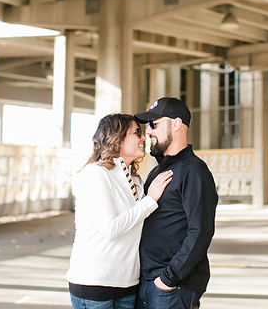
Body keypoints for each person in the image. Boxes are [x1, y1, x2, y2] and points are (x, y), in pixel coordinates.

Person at [67, 113, 174, 309]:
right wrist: (150, 200)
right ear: (118, 138)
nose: (144, 137)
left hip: (127, 285)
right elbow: (111, 228)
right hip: (94, 284)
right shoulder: (96, 174)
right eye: (137, 133)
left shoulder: (136, 181)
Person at [133, 97, 218, 309]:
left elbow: (200, 231)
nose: (148, 131)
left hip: (172, 289)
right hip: (145, 283)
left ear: (176, 124)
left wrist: (168, 280)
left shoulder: (194, 171)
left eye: (154, 124)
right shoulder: (157, 171)